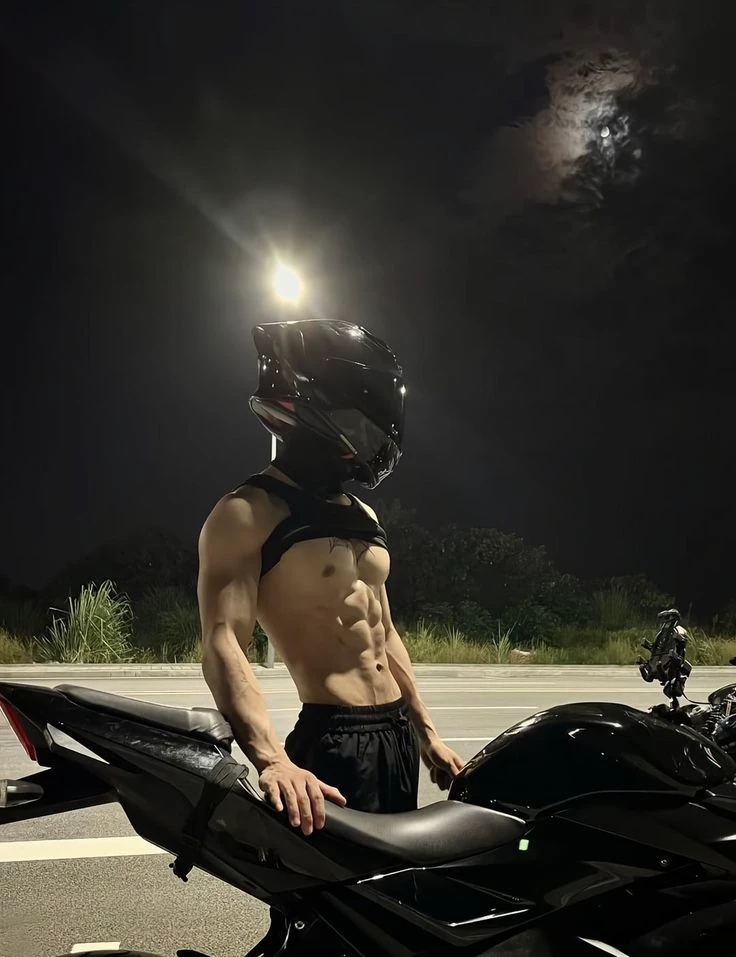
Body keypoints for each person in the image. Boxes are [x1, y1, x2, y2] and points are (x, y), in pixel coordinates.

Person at [198, 318, 464, 835]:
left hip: (395, 736)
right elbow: (223, 640)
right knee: (328, 887)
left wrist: (425, 732)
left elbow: (384, 632)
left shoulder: (364, 515)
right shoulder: (248, 512)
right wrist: (273, 759)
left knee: (397, 882)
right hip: (334, 739)